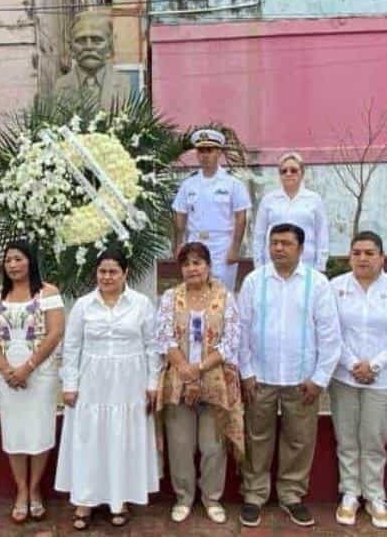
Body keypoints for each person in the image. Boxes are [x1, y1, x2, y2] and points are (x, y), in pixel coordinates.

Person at [238, 223, 341, 528]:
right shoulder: (255, 281)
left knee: (299, 439)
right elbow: (241, 332)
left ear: (301, 248)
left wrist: (319, 378)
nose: (279, 248)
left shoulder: (317, 284)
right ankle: (254, 496)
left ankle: (292, 495)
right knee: (257, 438)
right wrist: (246, 372)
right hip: (261, 377)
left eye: (285, 243)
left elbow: (330, 335)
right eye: (274, 243)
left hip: (303, 380)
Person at [55, 250, 160, 530]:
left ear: (125, 273)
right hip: (92, 382)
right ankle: (84, 500)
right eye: (102, 271)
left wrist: (152, 383)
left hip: (130, 383)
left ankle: (119, 500)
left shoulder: (141, 304)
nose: (107, 277)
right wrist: (70, 384)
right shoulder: (83, 305)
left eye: (113, 271)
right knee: (90, 438)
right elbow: (72, 347)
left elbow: (152, 347)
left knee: (122, 438)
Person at [155, 242, 243, 524]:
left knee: (212, 445)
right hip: (178, 382)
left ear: (208, 266)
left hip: (215, 382)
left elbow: (232, 341)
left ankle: (212, 498)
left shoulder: (225, 297)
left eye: (198, 262)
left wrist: (200, 368)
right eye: (187, 263)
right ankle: (183, 497)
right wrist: (183, 367)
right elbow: (163, 336)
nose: (192, 268)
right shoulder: (170, 297)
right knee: (180, 444)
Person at [0, 241, 64, 524]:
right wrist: (6, 369)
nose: (13, 265)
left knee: (39, 429)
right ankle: (20, 491)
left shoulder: (48, 293)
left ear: (30, 261)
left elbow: (55, 333)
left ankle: (35, 490)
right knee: (15, 432)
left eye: (18, 259)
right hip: (8, 374)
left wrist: (28, 367)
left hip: (39, 372)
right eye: (8, 260)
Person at [329, 231, 387, 529]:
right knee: (348, 438)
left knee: (374, 440)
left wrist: (374, 365)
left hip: (381, 380)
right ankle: (350, 493)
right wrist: (352, 363)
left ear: (382, 258)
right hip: (344, 376)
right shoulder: (335, 288)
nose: (363, 258)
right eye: (357, 253)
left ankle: (375, 495)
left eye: (369, 253)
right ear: (349, 257)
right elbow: (330, 333)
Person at [172, 129, 251, 290]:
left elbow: (241, 218)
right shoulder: (189, 184)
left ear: (219, 152)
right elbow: (180, 216)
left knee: (222, 293)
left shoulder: (233, 184)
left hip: (222, 245)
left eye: (210, 150)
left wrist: (234, 249)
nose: (205, 155)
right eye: (201, 150)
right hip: (195, 243)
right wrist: (179, 244)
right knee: (195, 289)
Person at [253, 152, 329, 271]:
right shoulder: (268, 200)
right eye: (284, 171)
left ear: (302, 173)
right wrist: (259, 267)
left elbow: (322, 234)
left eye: (293, 170)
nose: (289, 174)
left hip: (306, 264)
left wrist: (320, 266)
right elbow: (259, 236)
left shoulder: (314, 199)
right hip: (273, 265)